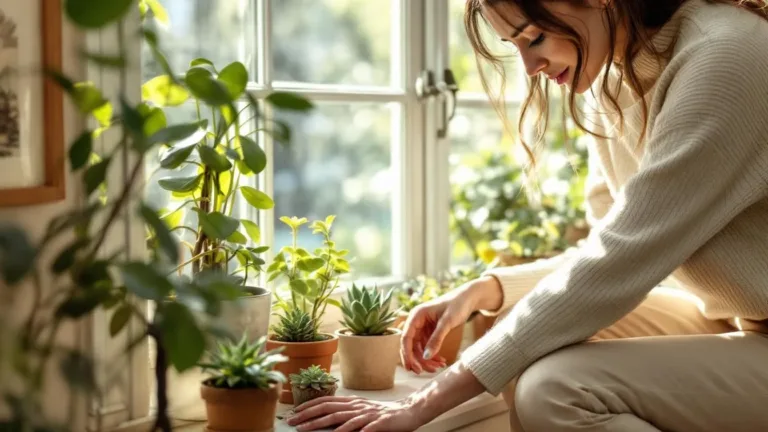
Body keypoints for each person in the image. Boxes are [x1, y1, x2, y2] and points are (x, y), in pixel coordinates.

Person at [286, 0, 768, 430]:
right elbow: (612, 242)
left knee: (556, 392)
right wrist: (491, 288)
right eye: (514, 44)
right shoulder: (612, 81)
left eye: (535, 37)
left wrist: (420, 406)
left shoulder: (725, 56)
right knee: (523, 343)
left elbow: (623, 256)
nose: (531, 66)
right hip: (736, 320)